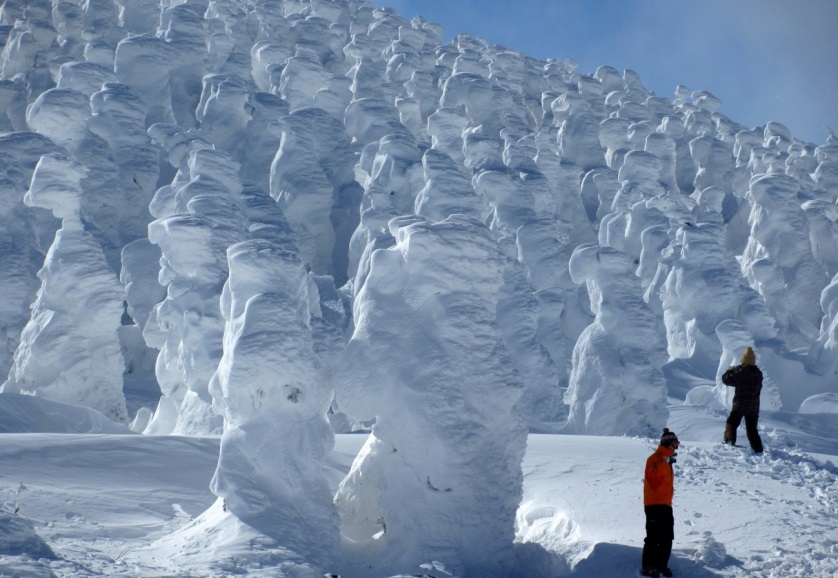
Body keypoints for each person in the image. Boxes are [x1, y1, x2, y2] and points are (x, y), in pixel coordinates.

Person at [641, 428, 679, 578]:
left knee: (667, 537)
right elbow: (654, 478)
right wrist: (665, 462)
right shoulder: (654, 459)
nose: (676, 447)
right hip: (653, 505)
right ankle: (648, 567)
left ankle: (662, 565)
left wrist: (667, 462)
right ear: (667, 443)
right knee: (653, 537)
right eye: (675, 443)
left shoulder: (666, 461)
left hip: (665, 505)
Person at [721, 345, 764, 453]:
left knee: (731, 423)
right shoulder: (758, 374)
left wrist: (730, 371)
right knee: (752, 430)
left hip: (740, 405)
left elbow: (726, 380)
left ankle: (729, 441)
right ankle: (758, 449)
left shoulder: (740, 373)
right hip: (753, 407)